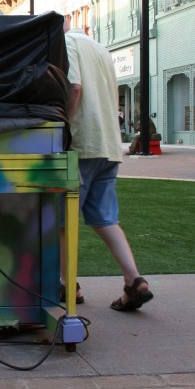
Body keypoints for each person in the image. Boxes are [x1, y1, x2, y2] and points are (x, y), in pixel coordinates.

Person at [60, 18, 153, 312]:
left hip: (81, 142)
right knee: (104, 218)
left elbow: (74, 88)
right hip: (109, 144)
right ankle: (133, 279)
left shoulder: (66, 44)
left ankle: (69, 286)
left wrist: (61, 128)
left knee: (63, 221)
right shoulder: (100, 48)